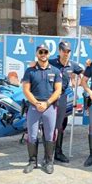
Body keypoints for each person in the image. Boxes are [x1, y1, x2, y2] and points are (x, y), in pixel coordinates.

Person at [22, 45, 62, 174]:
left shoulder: (55, 71)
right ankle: (32, 162)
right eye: (41, 52)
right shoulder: (30, 71)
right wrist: (36, 103)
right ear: (37, 54)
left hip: (49, 107)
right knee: (32, 135)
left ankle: (49, 162)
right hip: (34, 107)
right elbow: (26, 90)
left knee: (50, 135)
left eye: (45, 52)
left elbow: (58, 90)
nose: (43, 54)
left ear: (49, 54)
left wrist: (47, 103)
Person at [49, 41, 83, 163]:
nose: (66, 53)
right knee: (48, 125)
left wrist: (78, 83)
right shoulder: (51, 62)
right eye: (64, 50)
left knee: (60, 125)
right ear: (59, 51)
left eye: (68, 51)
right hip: (49, 97)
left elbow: (85, 72)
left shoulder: (72, 65)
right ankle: (49, 154)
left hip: (62, 97)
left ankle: (58, 152)